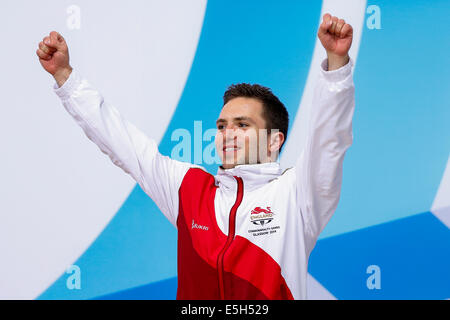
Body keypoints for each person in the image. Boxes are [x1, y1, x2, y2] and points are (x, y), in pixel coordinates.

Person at [36, 13, 355, 300]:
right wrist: (66, 76)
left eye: (242, 125)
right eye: (222, 125)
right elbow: (123, 143)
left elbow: (329, 141)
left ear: (275, 140)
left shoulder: (298, 195)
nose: (228, 133)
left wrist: (337, 67)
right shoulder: (188, 189)